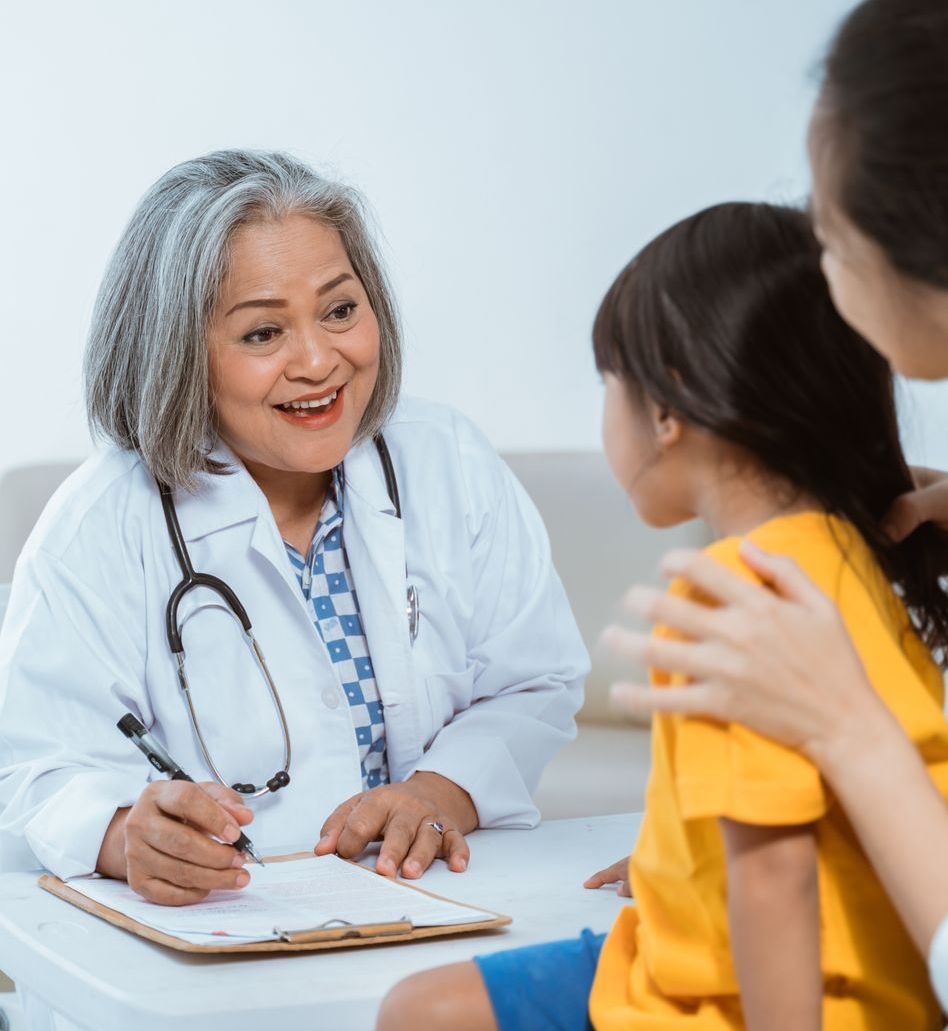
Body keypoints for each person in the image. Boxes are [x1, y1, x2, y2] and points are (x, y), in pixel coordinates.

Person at [377, 201, 948, 1030]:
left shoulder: (731, 599)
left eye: (609, 382)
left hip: (711, 999)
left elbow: (771, 880)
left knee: (418, 1013)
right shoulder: (865, 557)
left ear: (669, 409)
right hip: (885, 980)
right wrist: (682, 854)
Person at [0, 149, 589, 906]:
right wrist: (122, 835)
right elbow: (33, 769)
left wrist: (442, 790)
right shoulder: (99, 526)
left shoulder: (446, 461)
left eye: (340, 310)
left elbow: (534, 677)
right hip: (225, 937)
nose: (318, 360)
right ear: (177, 356)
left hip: (430, 906)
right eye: (262, 333)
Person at [600, 0, 948, 1011]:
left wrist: (848, 726)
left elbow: (774, 872)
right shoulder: (851, 545)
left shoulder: (740, 596)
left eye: (832, 235)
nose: (824, 275)